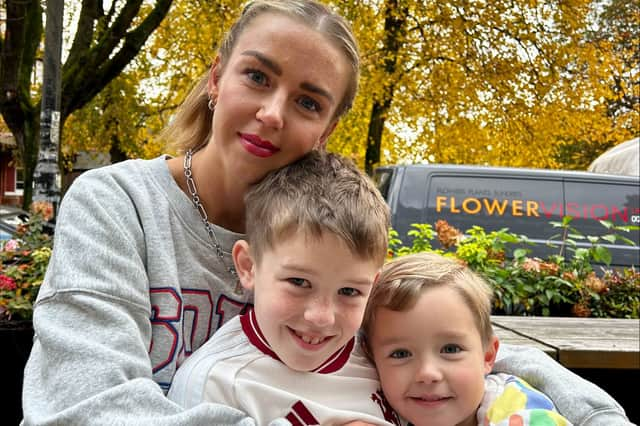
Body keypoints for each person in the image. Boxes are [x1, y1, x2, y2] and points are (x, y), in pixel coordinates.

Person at [20, 0, 631, 424]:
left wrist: (596, 415)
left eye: (307, 101)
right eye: (257, 76)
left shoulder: (329, 234)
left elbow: (451, 335)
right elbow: (82, 403)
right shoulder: (119, 204)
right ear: (216, 77)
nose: (273, 113)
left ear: (328, 127)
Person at [169, 150, 400, 425]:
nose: (322, 317)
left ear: (371, 287)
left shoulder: (384, 360)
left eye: (349, 291)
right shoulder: (216, 384)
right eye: (299, 282)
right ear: (248, 266)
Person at [361, 252, 571, 426]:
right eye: (401, 353)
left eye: (451, 349)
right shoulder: (371, 407)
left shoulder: (521, 414)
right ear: (372, 361)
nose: (427, 374)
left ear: (487, 356)